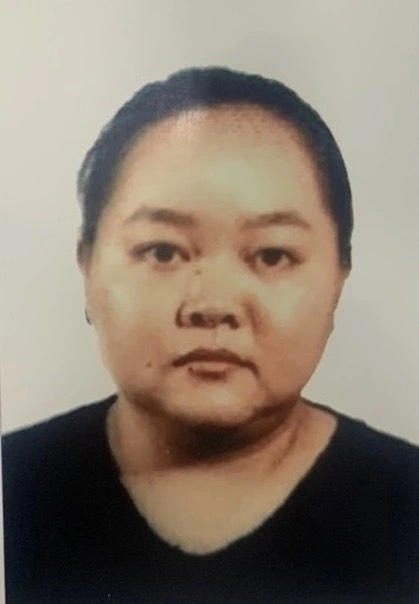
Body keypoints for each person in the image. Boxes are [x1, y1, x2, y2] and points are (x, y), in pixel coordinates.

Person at [2, 66, 418, 604]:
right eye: (163, 251)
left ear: (339, 277)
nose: (214, 305)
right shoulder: (13, 486)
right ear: (87, 266)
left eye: (272, 255)